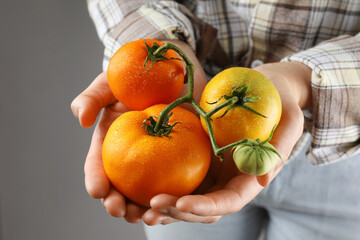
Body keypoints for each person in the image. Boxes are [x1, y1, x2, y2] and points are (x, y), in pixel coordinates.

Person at [71, 1, 360, 239]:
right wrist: (166, 48)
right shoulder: (185, 125)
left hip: (342, 148)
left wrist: (302, 81)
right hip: (188, 167)